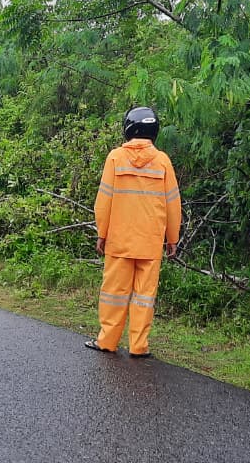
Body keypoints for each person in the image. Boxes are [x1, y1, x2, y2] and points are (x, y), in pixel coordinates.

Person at [85, 107, 181, 358]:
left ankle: (107, 341)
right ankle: (139, 346)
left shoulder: (115, 158)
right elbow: (173, 204)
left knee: (113, 294)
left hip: (119, 241)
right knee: (144, 297)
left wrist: (102, 233)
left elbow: (103, 201)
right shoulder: (163, 161)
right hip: (150, 243)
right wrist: (173, 238)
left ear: (129, 129)